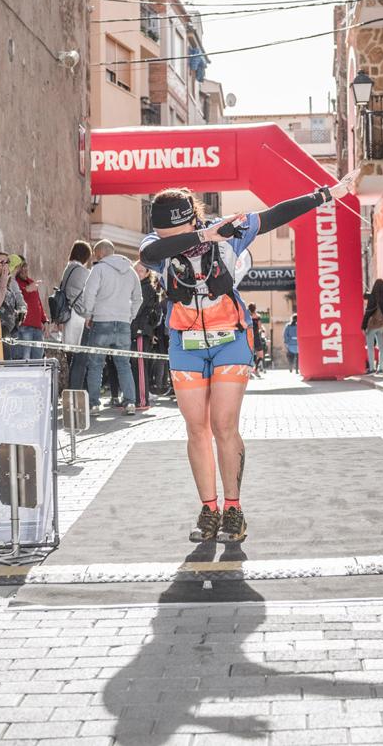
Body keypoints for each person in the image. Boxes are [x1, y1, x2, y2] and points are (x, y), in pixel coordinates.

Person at [140, 171, 355, 544]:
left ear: (191, 218)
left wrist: (328, 194)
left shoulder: (229, 234)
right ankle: (209, 509)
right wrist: (203, 235)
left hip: (230, 342)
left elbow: (275, 215)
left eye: (174, 234)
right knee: (196, 430)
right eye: (164, 236)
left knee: (223, 426)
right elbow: (148, 254)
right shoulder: (161, 244)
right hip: (184, 344)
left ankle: (233, 509)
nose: (168, 242)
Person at [81, 240, 142, 415]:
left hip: (101, 321)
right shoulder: (131, 271)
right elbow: (138, 298)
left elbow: (89, 293)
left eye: (95, 253)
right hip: (123, 323)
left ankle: (93, 405)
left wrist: (88, 315)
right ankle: (130, 403)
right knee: (124, 364)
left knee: (95, 365)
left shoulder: (98, 269)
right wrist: (129, 317)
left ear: (100, 253)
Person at [56, 240, 92, 390]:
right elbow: (89, 295)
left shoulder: (68, 269)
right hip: (79, 317)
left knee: (72, 358)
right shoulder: (83, 272)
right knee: (81, 358)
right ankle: (76, 391)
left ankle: (72, 390)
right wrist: (89, 314)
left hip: (68, 316)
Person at [131, 262, 163, 408]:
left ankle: (142, 400)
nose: (137, 272)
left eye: (140, 270)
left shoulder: (146, 288)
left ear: (147, 273)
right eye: (135, 269)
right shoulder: (137, 287)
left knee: (140, 365)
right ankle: (135, 398)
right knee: (135, 365)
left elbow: (137, 310)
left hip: (141, 331)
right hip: (136, 330)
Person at [9, 255, 47, 361]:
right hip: (24, 327)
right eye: (21, 267)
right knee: (25, 360)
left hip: (37, 328)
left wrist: (44, 320)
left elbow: (38, 303)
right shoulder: (14, 283)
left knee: (38, 359)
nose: (24, 269)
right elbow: (18, 301)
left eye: (25, 266)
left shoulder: (31, 282)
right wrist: (26, 290)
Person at [363, 279, 383, 374]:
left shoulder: (372, 297)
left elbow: (368, 312)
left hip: (372, 325)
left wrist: (363, 325)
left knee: (370, 347)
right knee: (381, 347)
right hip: (382, 325)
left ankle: (371, 368)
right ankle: (380, 368)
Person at [245, 303, 266, 379]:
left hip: (248, 337)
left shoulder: (246, 317)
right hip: (256, 337)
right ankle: (255, 369)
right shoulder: (258, 316)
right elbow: (260, 327)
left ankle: (249, 372)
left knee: (248, 355)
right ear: (255, 308)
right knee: (260, 355)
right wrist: (263, 330)